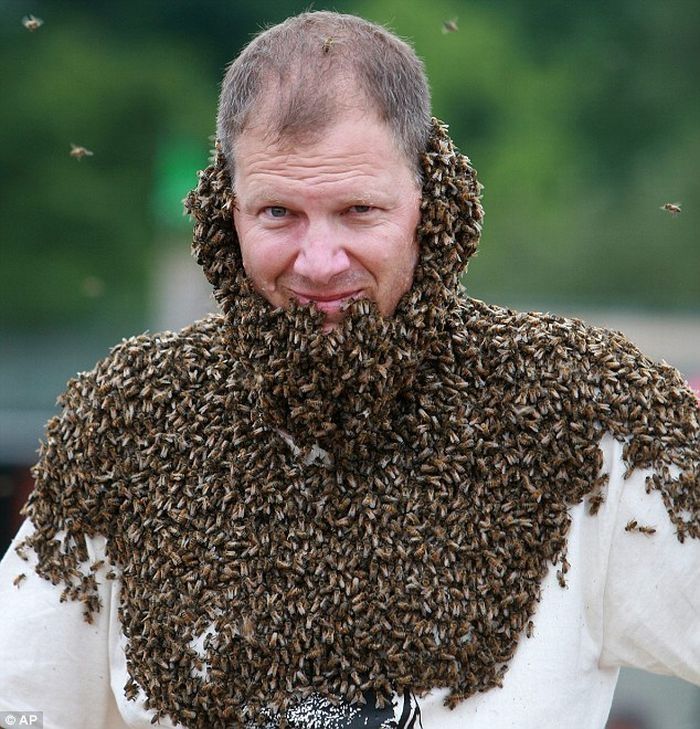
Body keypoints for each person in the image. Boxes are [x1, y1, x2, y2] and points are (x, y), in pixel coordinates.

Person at [0, 10, 698, 729]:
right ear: (223, 212)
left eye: (358, 209)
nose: (320, 260)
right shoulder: (130, 419)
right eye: (279, 213)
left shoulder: (585, 409)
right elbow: (25, 699)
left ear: (433, 202)